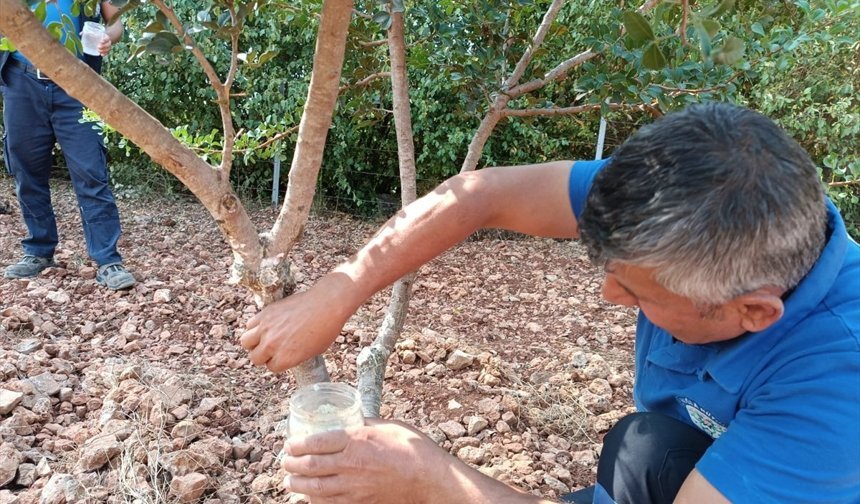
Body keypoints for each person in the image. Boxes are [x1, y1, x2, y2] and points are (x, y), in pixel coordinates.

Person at [240, 103, 860, 503]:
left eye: (639, 293)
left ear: (753, 313)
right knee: (642, 447)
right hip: (686, 455)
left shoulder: (834, 389)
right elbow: (478, 197)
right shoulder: (687, 196)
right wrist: (337, 289)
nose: (608, 296)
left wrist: (434, 481)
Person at [1, 0, 135, 290]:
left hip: (79, 83)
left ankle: (107, 259)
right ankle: (38, 250)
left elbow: (117, 22)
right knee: (27, 170)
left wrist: (107, 37)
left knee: (91, 170)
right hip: (21, 81)